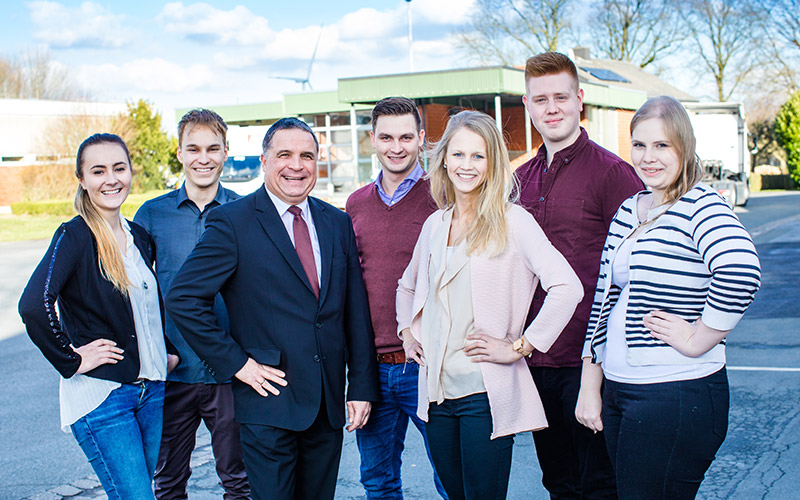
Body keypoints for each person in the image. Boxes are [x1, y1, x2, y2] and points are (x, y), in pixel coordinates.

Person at [165, 117, 380, 500]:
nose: (296, 166)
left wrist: (361, 386)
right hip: (267, 402)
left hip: (327, 405)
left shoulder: (336, 222)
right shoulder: (232, 221)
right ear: (264, 160)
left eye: (306, 156)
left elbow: (354, 312)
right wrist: (237, 364)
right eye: (284, 155)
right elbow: (183, 298)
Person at [575, 95, 761, 499]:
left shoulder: (701, 205)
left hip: (674, 393)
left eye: (662, 145)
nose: (649, 157)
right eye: (639, 145)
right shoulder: (630, 209)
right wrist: (590, 385)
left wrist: (699, 336)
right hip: (621, 391)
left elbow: (741, 271)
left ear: (684, 147)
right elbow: (604, 296)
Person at [396, 110, 583, 500]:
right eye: (458, 154)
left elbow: (567, 287)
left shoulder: (513, 221)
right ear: (444, 159)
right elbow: (407, 286)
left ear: (492, 163)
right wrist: (408, 334)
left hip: (483, 394)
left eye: (478, 156)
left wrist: (520, 347)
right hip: (435, 393)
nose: (466, 165)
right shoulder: (435, 225)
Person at [19, 133, 179, 499]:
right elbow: (34, 305)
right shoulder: (73, 236)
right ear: (82, 179)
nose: (111, 179)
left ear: (130, 172)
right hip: (104, 397)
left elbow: (144, 305)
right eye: (98, 171)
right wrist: (72, 359)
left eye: (119, 168)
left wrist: (167, 351)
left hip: (151, 390)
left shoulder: (139, 237)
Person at [516, 51, 644, 499]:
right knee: (558, 480)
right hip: (535, 356)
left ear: (580, 99)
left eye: (561, 97)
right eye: (541, 99)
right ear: (528, 105)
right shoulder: (518, 181)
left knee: (600, 482)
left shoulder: (614, 174)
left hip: (589, 359)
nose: (551, 108)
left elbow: (635, 270)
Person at [134, 109, 249, 499]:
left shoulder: (245, 212)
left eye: (213, 149)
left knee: (240, 481)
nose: (204, 158)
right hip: (171, 372)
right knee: (167, 483)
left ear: (226, 152)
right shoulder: (152, 215)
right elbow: (135, 292)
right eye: (194, 149)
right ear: (180, 153)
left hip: (231, 372)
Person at [346, 96, 447, 499]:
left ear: (421, 138)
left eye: (406, 137)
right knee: (378, 481)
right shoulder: (355, 204)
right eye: (386, 137)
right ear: (373, 139)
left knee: (450, 478)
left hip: (428, 363)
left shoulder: (442, 195)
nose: (396, 147)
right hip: (373, 368)